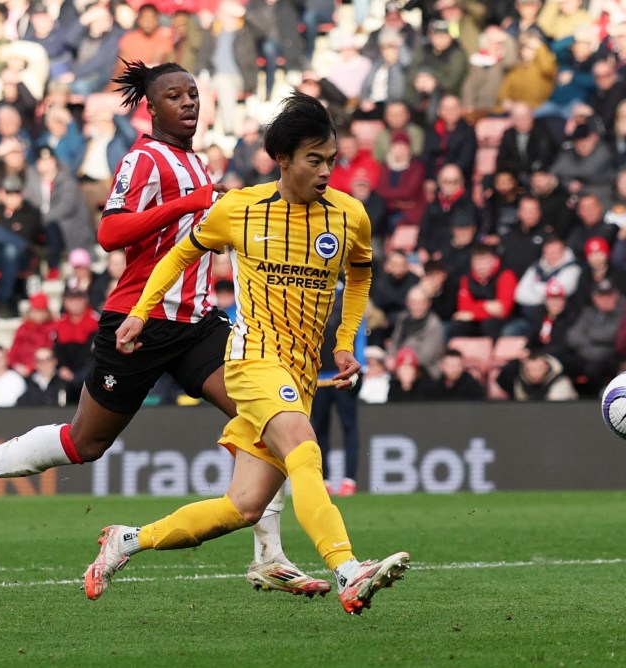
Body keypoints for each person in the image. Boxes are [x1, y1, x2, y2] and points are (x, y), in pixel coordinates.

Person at [0, 62, 326, 598]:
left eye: (193, 94)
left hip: (197, 323)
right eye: (174, 96)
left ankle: (269, 555)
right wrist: (187, 203)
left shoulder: (197, 162)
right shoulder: (144, 159)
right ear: (151, 108)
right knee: (85, 441)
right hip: (139, 320)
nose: (188, 103)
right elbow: (109, 232)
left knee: (267, 416)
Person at [97, 93, 409, 614]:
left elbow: (360, 274)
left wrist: (345, 340)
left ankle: (126, 541)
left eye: (332, 159)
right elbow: (180, 254)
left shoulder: (351, 215)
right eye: (315, 159)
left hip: (302, 371)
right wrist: (139, 312)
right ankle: (348, 569)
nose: (327, 171)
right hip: (253, 358)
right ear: (282, 159)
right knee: (305, 450)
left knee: (243, 506)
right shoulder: (239, 208)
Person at [311, 284, 364, 497]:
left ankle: (348, 480)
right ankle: (325, 480)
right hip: (320, 378)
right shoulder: (313, 292)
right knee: (320, 429)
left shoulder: (346, 296)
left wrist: (358, 369)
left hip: (341, 374)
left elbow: (358, 331)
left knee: (347, 426)